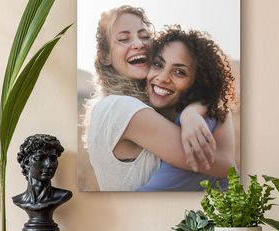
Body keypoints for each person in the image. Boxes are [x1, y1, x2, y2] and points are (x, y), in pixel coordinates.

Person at [84, 5, 234, 191]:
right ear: (105, 56)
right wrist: (196, 111)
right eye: (123, 39)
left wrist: (192, 110)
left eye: (144, 36)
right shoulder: (122, 107)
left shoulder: (142, 106)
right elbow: (223, 165)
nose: (138, 43)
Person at [137, 26, 236, 191]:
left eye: (179, 72)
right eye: (158, 64)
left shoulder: (200, 128)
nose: (162, 78)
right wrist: (192, 112)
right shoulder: (192, 112)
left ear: (197, 82)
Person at [13, 134, 72, 231]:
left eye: (53, 158)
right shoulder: (18, 200)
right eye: (40, 158)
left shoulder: (62, 196)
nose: (48, 164)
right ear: (27, 163)